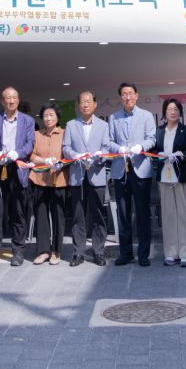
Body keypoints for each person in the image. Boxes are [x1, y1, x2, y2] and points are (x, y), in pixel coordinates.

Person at [0, 86, 35, 267]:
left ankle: (18, 251)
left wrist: (18, 153)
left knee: (18, 212)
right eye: (8, 98)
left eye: (14, 97)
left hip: (18, 169)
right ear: (2, 101)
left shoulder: (28, 120)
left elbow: (30, 144)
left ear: (18, 100)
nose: (11, 101)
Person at [108, 82, 157, 266]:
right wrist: (118, 148)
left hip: (140, 168)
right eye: (124, 94)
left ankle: (143, 254)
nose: (127, 97)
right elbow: (109, 141)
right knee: (123, 213)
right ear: (120, 97)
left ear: (137, 95)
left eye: (130, 93)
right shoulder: (113, 117)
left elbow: (152, 139)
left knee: (142, 212)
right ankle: (126, 253)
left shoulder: (146, 116)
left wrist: (141, 146)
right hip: (120, 169)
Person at [63, 91, 112, 266]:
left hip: (96, 173)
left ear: (95, 104)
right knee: (78, 214)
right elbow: (66, 147)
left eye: (88, 101)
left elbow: (107, 147)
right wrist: (75, 155)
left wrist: (99, 156)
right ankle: (78, 252)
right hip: (77, 174)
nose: (85, 104)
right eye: (82, 102)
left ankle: (98, 251)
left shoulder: (103, 125)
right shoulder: (71, 124)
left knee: (98, 214)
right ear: (78, 105)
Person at [155, 99, 186, 267]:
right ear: (164, 112)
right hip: (164, 177)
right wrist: (159, 155)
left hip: (181, 177)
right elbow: (154, 150)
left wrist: (180, 155)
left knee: (183, 215)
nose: (172, 112)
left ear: (180, 112)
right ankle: (171, 252)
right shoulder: (158, 131)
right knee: (168, 215)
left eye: (176, 109)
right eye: (169, 109)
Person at [29, 102, 67, 265]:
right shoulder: (36, 134)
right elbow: (31, 155)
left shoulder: (65, 133)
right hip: (39, 179)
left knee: (58, 216)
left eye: (51, 115)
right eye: (45, 115)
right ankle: (43, 250)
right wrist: (44, 160)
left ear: (57, 117)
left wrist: (61, 163)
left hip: (59, 179)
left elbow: (68, 154)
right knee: (41, 215)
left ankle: (56, 251)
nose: (48, 118)